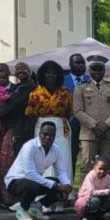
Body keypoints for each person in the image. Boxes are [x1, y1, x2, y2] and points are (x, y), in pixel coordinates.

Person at [25, 60, 73, 210]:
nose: (51, 75)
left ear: (58, 75)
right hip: (42, 127)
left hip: (60, 127)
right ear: (42, 75)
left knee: (62, 161)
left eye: (54, 73)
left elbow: (70, 111)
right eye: (47, 72)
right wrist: (40, 127)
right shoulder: (35, 93)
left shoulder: (65, 93)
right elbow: (30, 113)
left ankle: (61, 199)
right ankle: (44, 199)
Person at [4, 122, 72, 220]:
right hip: (15, 182)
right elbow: (30, 174)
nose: (48, 137)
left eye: (51, 135)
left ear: (55, 135)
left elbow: (61, 171)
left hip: (34, 181)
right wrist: (56, 186)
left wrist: (66, 185)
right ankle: (22, 210)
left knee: (57, 183)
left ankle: (35, 208)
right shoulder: (29, 146)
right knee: (40, 185)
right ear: (39, 133)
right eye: (45, 134)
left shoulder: (56, 149)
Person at [0, 62, 37, 206]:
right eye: (17, 69)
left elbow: (13, 107)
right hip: (9, 129)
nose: (20, 71)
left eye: (24, 68)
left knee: (11, 165)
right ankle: (4, 198)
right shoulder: (17, 87)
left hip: (21, 130)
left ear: (30, 71)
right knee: (2, 164)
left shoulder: (29, 88)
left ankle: (15, 199)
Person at [73, 55, 110, 177]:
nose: (97, 72)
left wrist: (106, 125)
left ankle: (107, 194)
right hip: (88, 134)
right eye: (94, 69)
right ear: (90, 70)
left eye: (100, 69)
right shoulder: (81, 88)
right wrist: (94, 125)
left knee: (108, 166)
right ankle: (85, 196)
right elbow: (77, 111)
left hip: (108, 133)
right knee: (87, 167)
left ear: (104, 70)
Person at [64, 53, 90, 174]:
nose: (81, 65)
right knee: (70, 156)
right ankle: (68, 188)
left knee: (89, 157)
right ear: (70, 65)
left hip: (88, 124)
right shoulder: (63, 81)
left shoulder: (90, 80)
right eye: (77, 63)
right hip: (69, 124)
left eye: (82, 63)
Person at [75, 156, 110, 220]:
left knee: (108, 201)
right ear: (94, 167)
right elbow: (92, 192)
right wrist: (108, 191)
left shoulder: (107, 177)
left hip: (100, 196)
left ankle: (98, 216)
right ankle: (89, 216)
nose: (102, 171)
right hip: (86, 199)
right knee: (95, 200)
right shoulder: (90, 176)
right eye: (100, 169)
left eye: (105, 170)